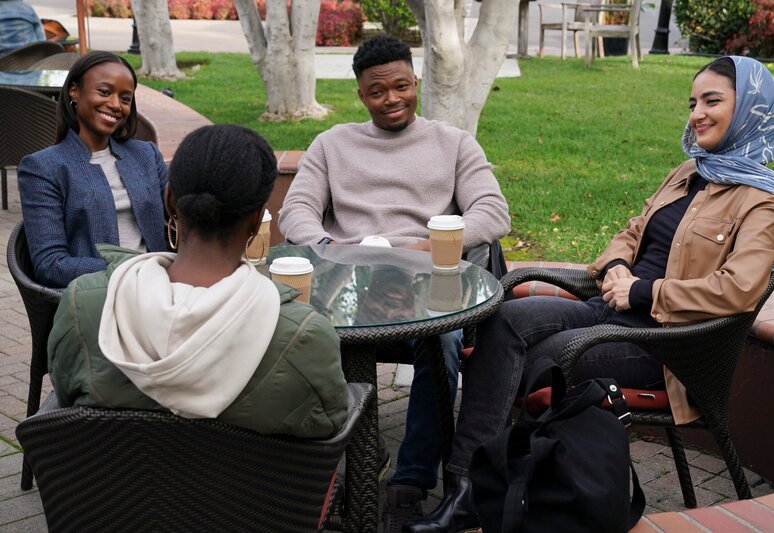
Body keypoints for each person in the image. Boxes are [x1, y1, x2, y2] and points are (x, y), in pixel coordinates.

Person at [405, 56, 774, 532]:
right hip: (607, 309)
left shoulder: (763, 202)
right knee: (503, 319)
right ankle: (468, 487)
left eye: (712, 101)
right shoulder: (689, 172)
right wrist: (615, 268)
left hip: (665, 347)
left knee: (538, 355)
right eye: (693, 102)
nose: (696, 113)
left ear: (752, 109)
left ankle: (483, 489)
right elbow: (632, 232)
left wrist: (643, 292)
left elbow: (738, 289)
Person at [278, 35, 510, 531]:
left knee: (442, 342)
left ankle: (411, 480)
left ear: (416, 81)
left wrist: (425, 248)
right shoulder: (333, 143)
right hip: (345, 280)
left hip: (426, 283)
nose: (392, 99)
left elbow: (493, 212)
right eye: (377, 91)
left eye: (401, 86)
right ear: (361, 94)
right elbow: (296, 209)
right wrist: (331, 248)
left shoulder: (453, 143)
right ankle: (323, 462)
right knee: (286, 332)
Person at [48, 124, 349, 438]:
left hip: (112, 485)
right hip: (253, 486)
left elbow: (67, 399)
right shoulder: (305, 334)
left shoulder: (83, 305)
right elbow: (328, 423)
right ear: (257, 217)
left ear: (169, 201)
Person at [18, 51, 168, 288]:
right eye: (105, 92)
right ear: (74, 92)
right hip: (100, 296)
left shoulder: (146, 155)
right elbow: (50, 265)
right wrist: (128, 270)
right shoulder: (43, 167)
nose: (115, 105)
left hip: (160, 288)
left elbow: (183, 214)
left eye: (126, 98)